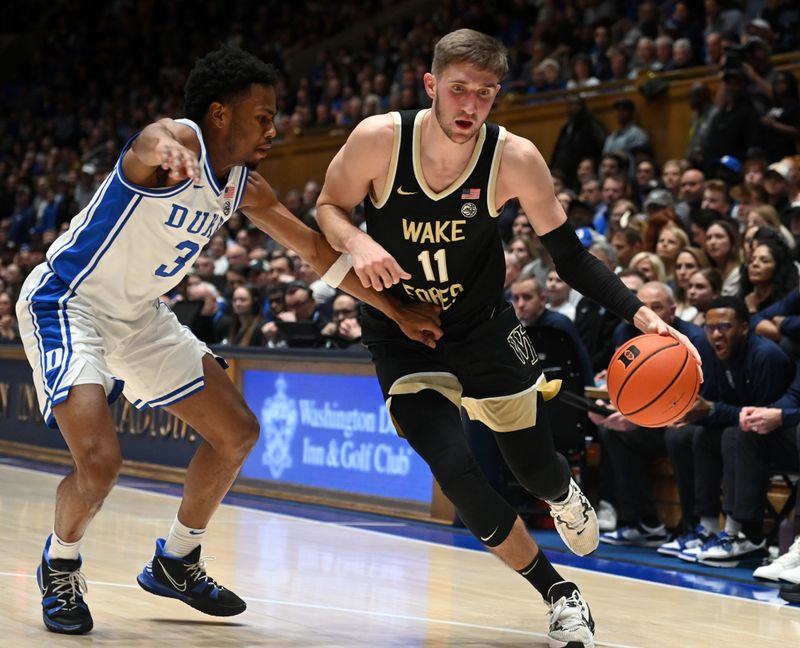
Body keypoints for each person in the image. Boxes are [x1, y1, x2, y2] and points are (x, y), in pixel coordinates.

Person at [16, 47, 442, 636]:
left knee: (237, 433)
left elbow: (318, 253)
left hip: (139, 315)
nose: (274, 128)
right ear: (219, 114)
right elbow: (154, 140)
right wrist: (170, 150)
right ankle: (60, 564)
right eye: (263, 117)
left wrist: (395, 310)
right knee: (100, 463)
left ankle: (177, 559)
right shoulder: (165, 148)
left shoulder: (243, 185)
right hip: (68, 303)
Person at [314, 29, 700, 647]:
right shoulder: (379, 139)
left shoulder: (514, 157)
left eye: (485, 94)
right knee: (458, 473)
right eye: (459, 90)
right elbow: (329, 208)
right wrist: (358, 241)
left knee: (536, 472)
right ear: (432, 86)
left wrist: (639, 314)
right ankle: (561, 594)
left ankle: (563, 493)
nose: (470, 106)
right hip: (400, 332)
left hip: (484, 326)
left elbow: (570, 258)